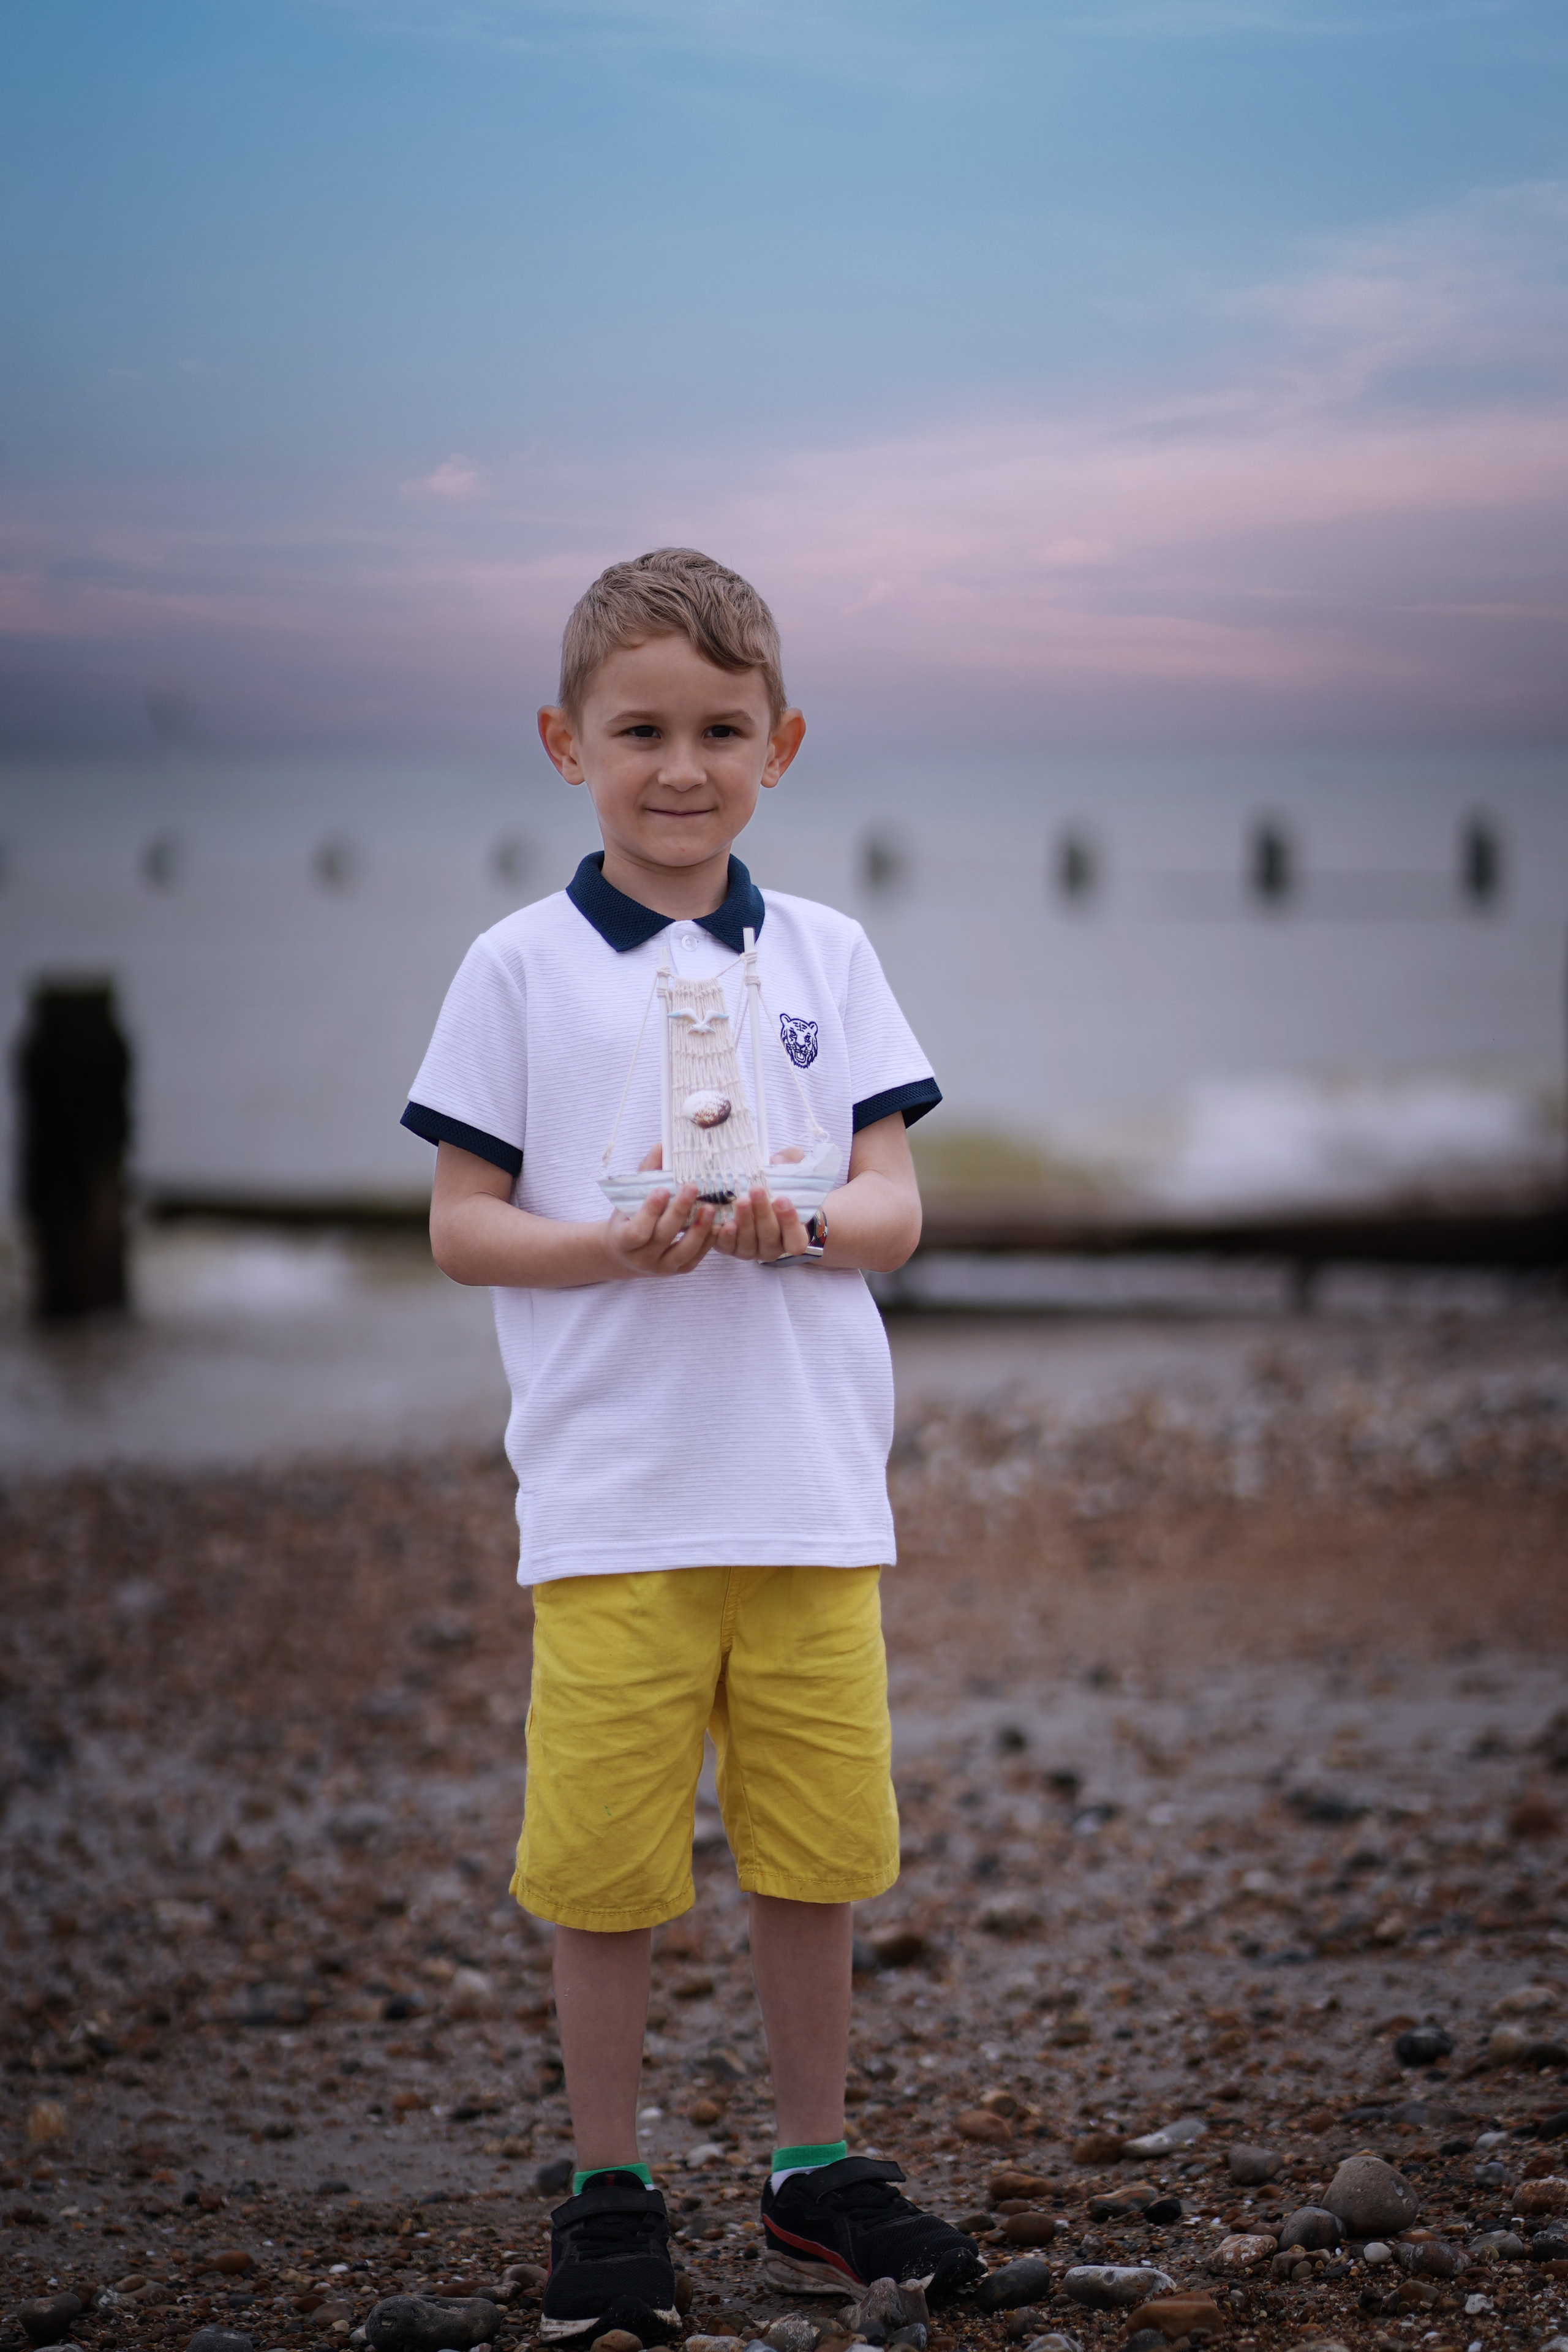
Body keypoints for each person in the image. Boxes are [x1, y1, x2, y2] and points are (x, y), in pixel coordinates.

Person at [401, 548, 983, 2343]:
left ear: (780, 745)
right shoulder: (517, 966)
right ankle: (606, 2182)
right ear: (566, 741)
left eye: (720, 730)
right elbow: (460, 1222)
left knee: (815, 1851)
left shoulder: (829, 954)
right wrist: (608, 1243)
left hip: (811, 1497)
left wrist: (796, 1223)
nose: (680, 766)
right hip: (616, 1506)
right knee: (607, 1864)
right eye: (639, 729)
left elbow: (892, 1197)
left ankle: (815, 2168)